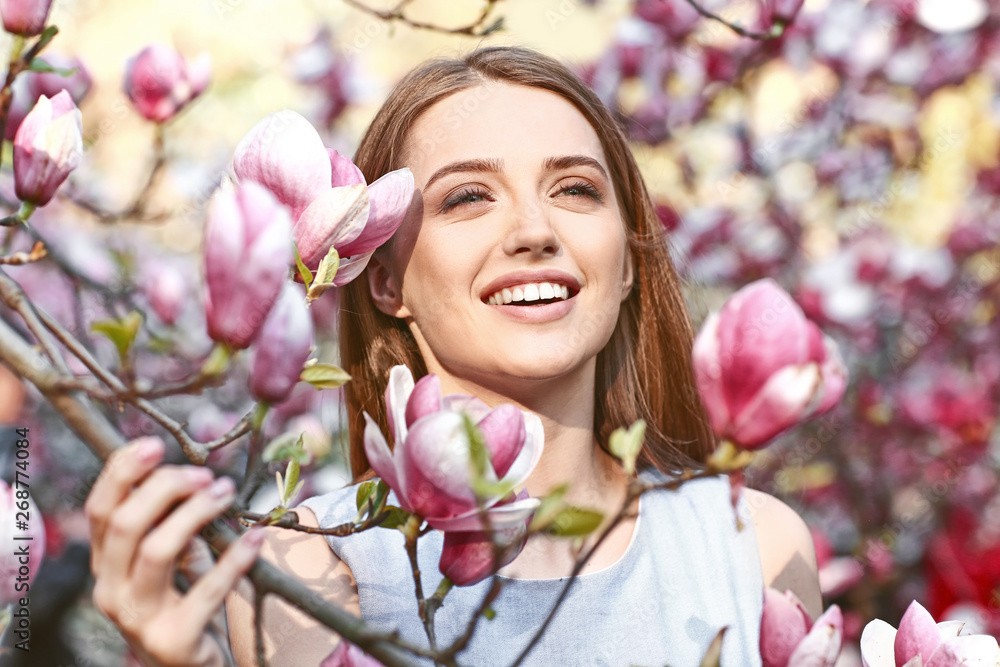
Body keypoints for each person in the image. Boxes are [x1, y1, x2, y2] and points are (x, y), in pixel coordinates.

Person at [84, 45, 820, 666]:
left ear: (627, 262)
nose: (534, 229)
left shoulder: (754, 544)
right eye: (469, 196)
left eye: (574, 188)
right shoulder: (312, 566)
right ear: (385, 278)